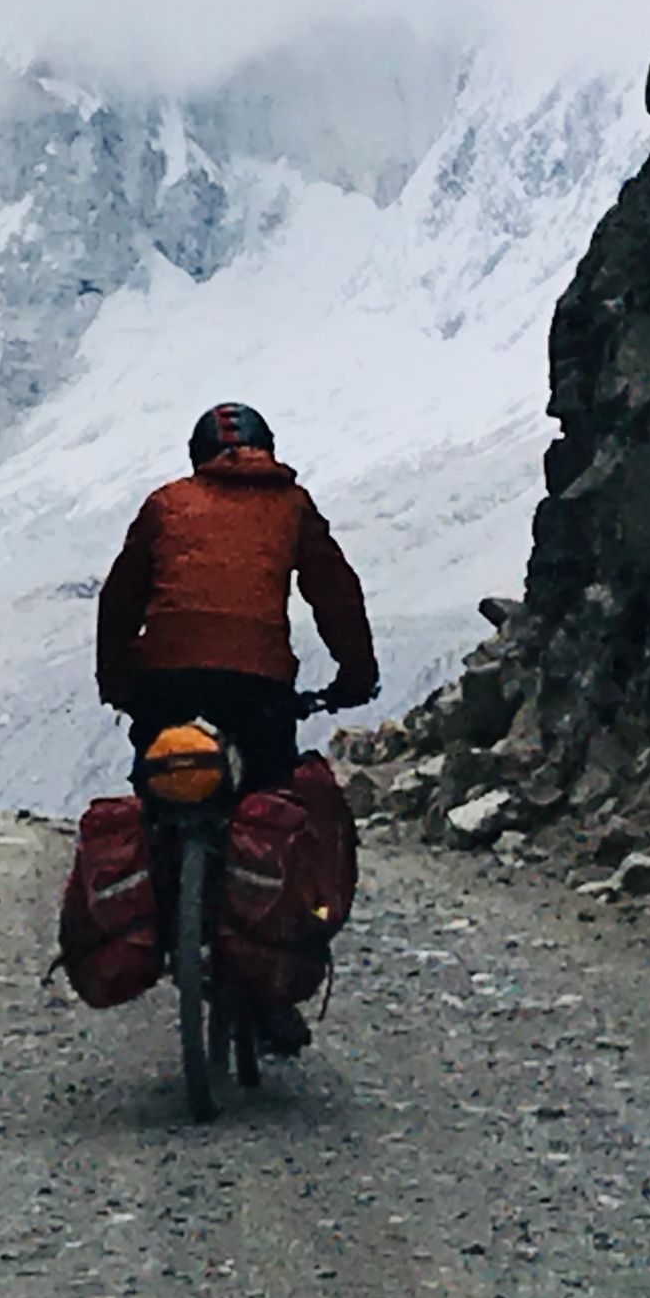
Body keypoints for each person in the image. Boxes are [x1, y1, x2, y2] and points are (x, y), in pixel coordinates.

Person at [95, 403, 379, 1053]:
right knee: (273, 812)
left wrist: (120, 682)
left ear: (197, 457)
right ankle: (264, 982)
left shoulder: (166, 503)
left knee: (157, 800)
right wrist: (355, 676)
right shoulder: (293, 504)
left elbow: (121, 598)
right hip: (259, 688)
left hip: (165, 681)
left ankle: (158, 917)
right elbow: (336, 593)